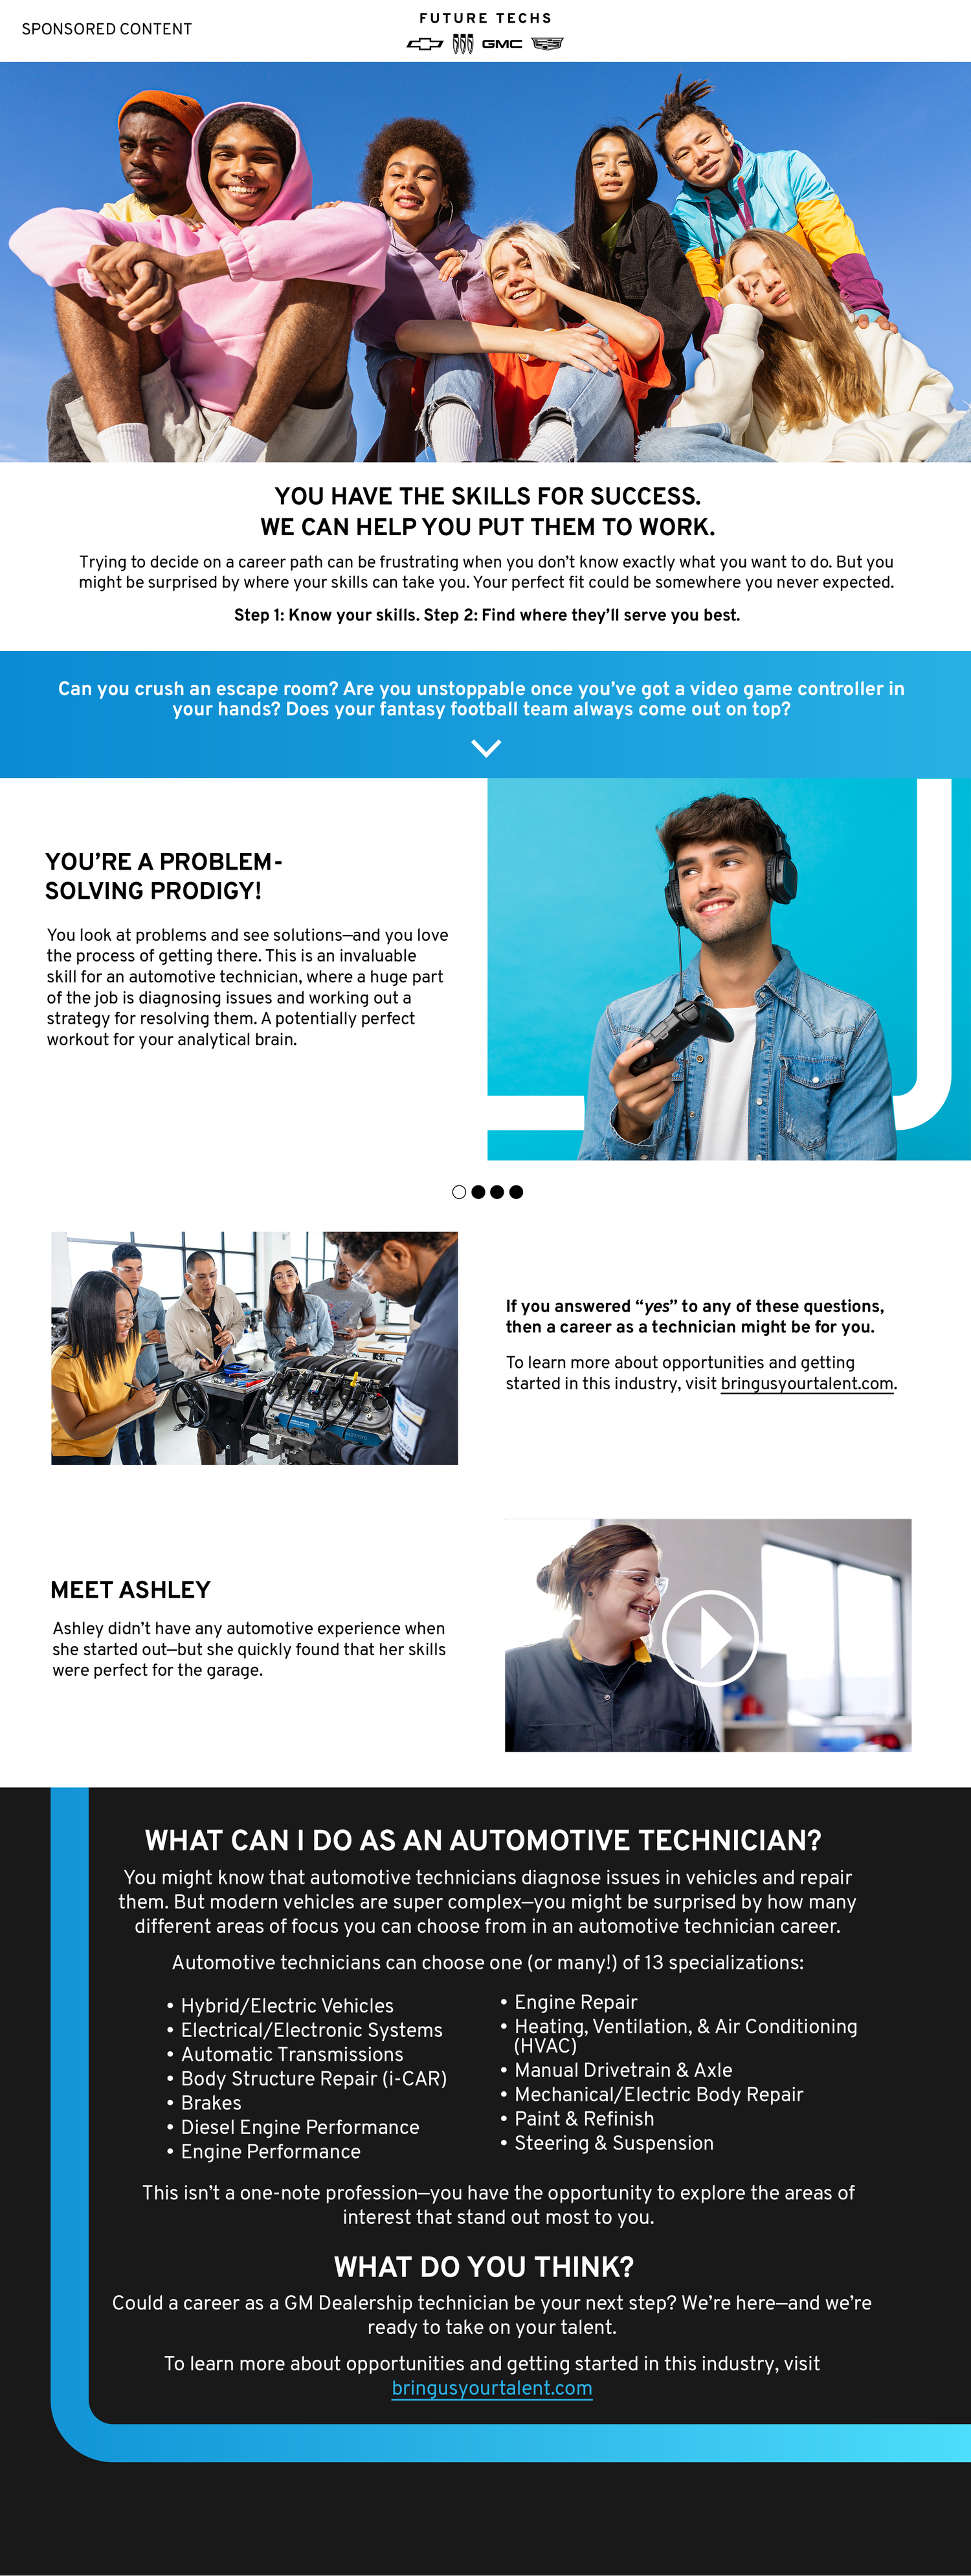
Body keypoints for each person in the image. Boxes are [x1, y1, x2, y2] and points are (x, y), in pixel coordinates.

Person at [11, 102, 388, 465]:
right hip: (181, 420)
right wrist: (135, 271)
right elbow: (44, 228)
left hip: (285, 435)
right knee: (93, 267)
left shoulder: (315, 228)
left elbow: (369, 229)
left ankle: (232, 461)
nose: (241, 170)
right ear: (204, 169)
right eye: (225, 156)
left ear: (288, 172)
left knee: (325, 275)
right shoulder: (173, 237)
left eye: (262, 158)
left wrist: (195, 268)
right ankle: (129, 469)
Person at [580, 794, 896, 1161]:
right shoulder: (625, 1025)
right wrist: (632, 1125)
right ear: (675, 899)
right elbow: (593, 1195)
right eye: (690, 871)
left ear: (776, 877)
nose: (706, 884)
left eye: (728, 862)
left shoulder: (848, 1027)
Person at [649, 230, 966, 465]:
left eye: (776, 266)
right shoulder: (743, 364)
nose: (770, 282)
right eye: (752, 283)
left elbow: (947, 427)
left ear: (802, 264)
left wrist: (865, 446)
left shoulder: (875, 338)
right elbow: (687, 444)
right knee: (659, 449)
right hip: (796, 508)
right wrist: (737, 321)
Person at [396, 221, 668, 464]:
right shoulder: (493, 355)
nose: (513, 279)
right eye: (500, 275)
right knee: (459, 349)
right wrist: (536, 342)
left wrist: (550, 283)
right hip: (497, 496)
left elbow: (644, 336)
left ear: (557, 271)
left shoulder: (588, 334)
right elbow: (407, 336)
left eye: (527, 265)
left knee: (594, 340)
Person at [649, 74, 891, 346]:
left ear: (726, 134)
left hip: (828, 305)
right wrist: (717, 353)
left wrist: (867, 306)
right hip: (764, 339)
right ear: (673, 172)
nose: (700, 155)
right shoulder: (683, 223)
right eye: (683, 154)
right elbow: (706, 291)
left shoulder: (789, 168)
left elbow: (834, 235)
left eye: (704, 140)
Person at [49, 91, 206, 461]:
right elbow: (52, 236)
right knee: (68, 391)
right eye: (127, 145)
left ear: (196, 154)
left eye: (158, 146)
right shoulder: (115, 217)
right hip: (144, 359)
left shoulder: (228, 209)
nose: (137, 158)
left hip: (211, 370)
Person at [354, 116, 502, 461]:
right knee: (407, 386)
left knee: (422, 418)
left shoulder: (474, 249)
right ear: (380, 189)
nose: (409, 184)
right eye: (397, 174)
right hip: (392, 352)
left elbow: (496, 322)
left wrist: (472, 274)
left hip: (461, 353)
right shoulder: (362, 239)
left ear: (446, 192)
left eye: (424, 175)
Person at [506, 1525, 719, 1753]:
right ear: (590, 1583)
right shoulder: (515, 1674)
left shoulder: (682, 1687)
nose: (655, 1597)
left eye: (657, 1584)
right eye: (639, 1579)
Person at [560, 123, 707, 433]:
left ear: (639, 168)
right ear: (586, 175)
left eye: (623, 161)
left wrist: (624, 361)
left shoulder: (651, 219)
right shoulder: (565, 244)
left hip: (650, 380)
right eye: (599, 163)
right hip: (587, 372)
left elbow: (676, 309)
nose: (610, 171)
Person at [324, 1233, 457, 1464]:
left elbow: (401, 1463)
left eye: (365, 1277)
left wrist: (344, 1451)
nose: (372, 1289)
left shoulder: (433, 1347)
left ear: (397, 1255)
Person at [52, 1271, 156, 1462]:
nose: (131, 1323)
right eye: (122, 1317)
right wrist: (132, 1407)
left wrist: (140, 1394)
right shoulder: (64, 1362)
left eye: (132, 1312)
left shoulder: (130, 1340)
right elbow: (75, 1429)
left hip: (104, 1439)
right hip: (69, 1447)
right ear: (95, 1318)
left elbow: (130, 1380)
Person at [164, 1252, 246, 1463]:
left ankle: (236, 1461)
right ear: (188, 1278)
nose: (209, 1283)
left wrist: (232, 1335)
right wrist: (198, 1364)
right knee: (206, 1428)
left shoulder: (227, 1295)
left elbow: (240, 1323)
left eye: (213, 1275)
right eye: (201, 1277)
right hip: (200, 1381)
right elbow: (176, 1356)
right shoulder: (175, 1315)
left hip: (231, 1373)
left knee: (236, 1424)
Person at [111, 1244, 166, 1463]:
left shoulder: (153, 1298)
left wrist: (159, 1337)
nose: (136, 1275)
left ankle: (150, 1461)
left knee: (148, 1424)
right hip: (122, 1379)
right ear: (115, 1271)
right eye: (128, 1269)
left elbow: (165, 1333)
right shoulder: (107, 1303)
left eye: (139, 1268)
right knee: (125, 1430)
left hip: (150, 1373)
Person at [263, 1260, 335, 1367]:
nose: (285, 1280)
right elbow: (272, 1351)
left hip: (313, 1370)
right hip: (284, 1373)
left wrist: (311, 1355)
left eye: (290, 1275)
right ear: (274, 1284)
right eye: (279, 1277)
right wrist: (285, 1350)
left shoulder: (316, 1304)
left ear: (297, 1279)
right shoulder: (269, 1313)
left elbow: (327, 1340)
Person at [311, 1247, 378, 1349]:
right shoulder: (314, 1290)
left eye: (351, 1265)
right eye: (341, 1264)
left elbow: (371, 1326)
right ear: (334, 1266)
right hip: (317, 1352)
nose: (346, 1268)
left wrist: (356, 1332)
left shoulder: (365, 1295)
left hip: (347, 1354)